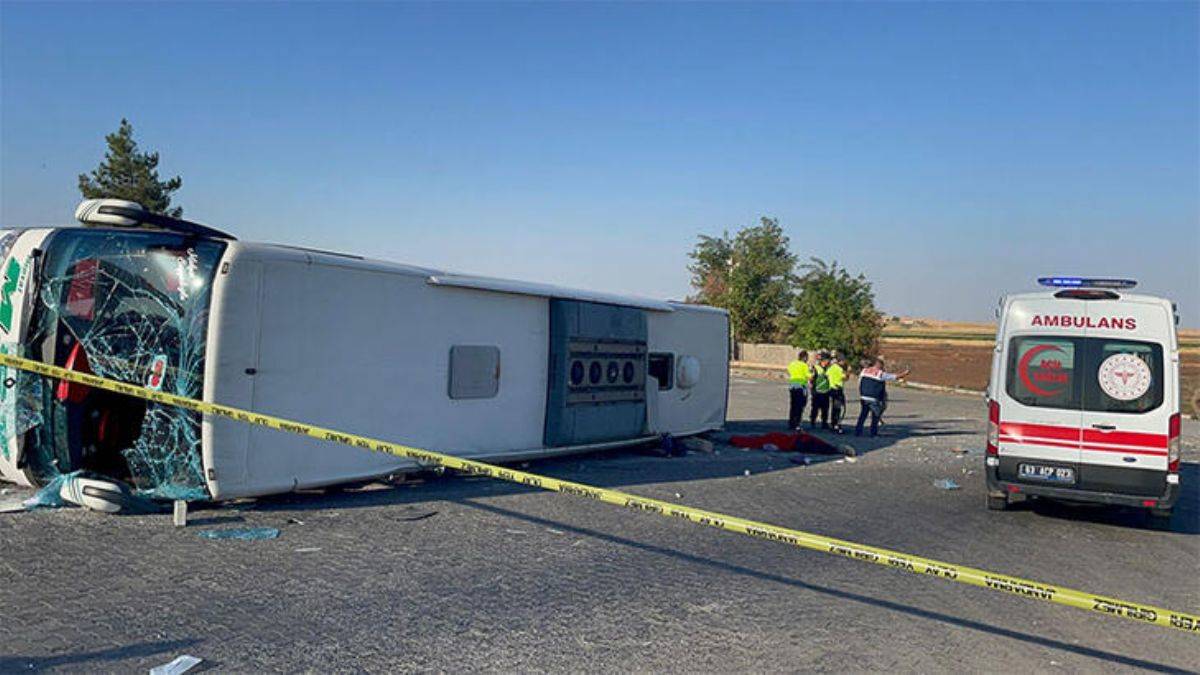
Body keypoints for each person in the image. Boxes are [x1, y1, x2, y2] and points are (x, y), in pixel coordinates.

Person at [856, 357, 910, 437]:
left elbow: (859, 382)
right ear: (879, 365)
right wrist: (905, 373)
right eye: (882, 365)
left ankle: (858, 432)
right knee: (875, 416)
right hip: (873, 398)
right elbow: (894, 377)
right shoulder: (879, 373)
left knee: (863, 415)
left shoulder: (864, 371)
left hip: (864, 397)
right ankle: (873, 433)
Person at [785, 350, 811, 430]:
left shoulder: (792, 363)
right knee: (800, 406)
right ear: (805, 357)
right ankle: (797, 423)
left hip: (792, 386)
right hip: (801, 387)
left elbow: (789, 371)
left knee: (793, 405)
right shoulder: (804, 365)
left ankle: (791, 423)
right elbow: (809, 376)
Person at [809, 351, 832, 429]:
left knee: (825, 408)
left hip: (826, 391)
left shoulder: (829, 368)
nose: (828, 362)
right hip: (817, 391)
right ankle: (813, 421)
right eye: (827, 360)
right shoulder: (816, 368)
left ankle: (824, 423)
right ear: (823, 360)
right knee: (815, 408)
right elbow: (811, 379)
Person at [827, 354, 848, 434]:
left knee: (834, 408)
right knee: (838, 408)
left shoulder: (831, 368)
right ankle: (836, 424)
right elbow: (844, 378)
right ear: (840, 361)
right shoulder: (839, 369)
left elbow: (827, 375)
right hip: (838, 389)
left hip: (831, 389)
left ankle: (833, 423)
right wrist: (847, 372)